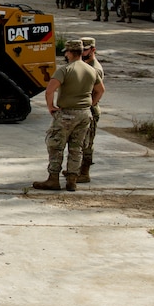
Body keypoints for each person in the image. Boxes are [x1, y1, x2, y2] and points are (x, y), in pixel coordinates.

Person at [32, 39, 104, 192]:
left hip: (67, 114)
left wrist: (51, 107)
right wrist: (90, 105)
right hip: (84, 114)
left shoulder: (65, 70)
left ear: (70, 53)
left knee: (56, 145)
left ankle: (53, 179)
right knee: (76, 147)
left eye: (66, 52)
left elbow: (49, 90)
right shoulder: (92, 70)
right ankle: (72, 180)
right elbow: (100, 90)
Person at [78, 37, 105, 183]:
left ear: (93, 50)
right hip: (83, 109)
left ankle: (85, 172)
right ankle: (77, 169)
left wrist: (90, 106)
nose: (82, 52)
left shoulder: (95, 69)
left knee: (87, 144)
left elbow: (98, 91)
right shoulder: (84, 65)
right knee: (79, 142)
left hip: (91, 110)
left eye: (85, 50)